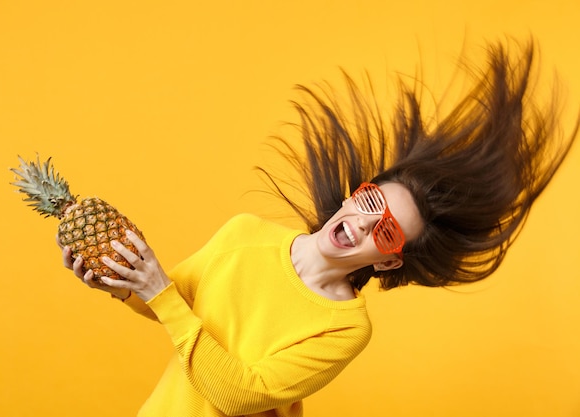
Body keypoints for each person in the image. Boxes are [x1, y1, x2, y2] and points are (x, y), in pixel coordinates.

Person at [60, 38, 578, 417]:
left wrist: (157, 291)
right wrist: (120, 284)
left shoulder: (344, 328)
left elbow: (239, 392)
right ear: (357, 192)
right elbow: (175, 306)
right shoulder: (245, 233)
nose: (362, 223)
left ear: (389, 259)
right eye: (371, 200)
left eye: (387, 230)